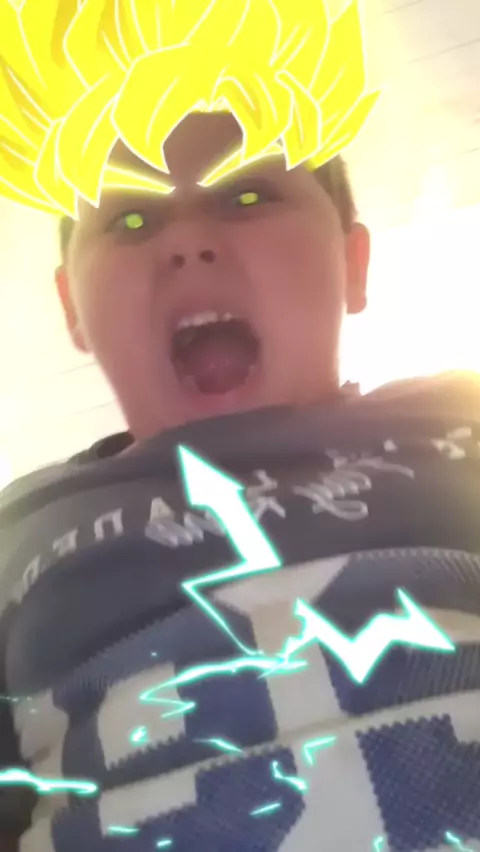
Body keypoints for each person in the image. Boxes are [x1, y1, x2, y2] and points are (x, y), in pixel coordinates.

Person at [1, 111, 480, 852]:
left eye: (248, 196)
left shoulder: (459, 419)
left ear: (352, 262)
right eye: (130, 219)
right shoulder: (21, 526)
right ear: (73, 309)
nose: (188, 241)